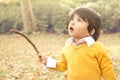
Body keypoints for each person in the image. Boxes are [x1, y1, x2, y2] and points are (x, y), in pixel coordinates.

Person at [38, 7, 116, 80]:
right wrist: (47, 61)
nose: (72, 22)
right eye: (72, 19)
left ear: (91, 31)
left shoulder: (97, 48)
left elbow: (107, 69)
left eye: (79, 20)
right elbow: (63, 65)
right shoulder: (67, 47)